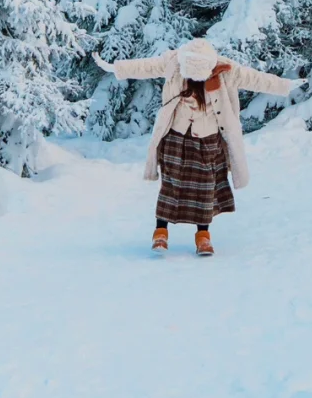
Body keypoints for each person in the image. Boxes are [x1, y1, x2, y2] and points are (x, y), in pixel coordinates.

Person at [93, 37, 298, 255]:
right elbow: (146, 66)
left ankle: (203, 236)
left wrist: (286, 85)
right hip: (175, 137)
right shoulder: (174, 62)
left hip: (208, 140)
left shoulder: (225, 69)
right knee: (170, 185)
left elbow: (256, 79)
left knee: (205, 188)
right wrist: (115, 68)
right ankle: (160, 232)